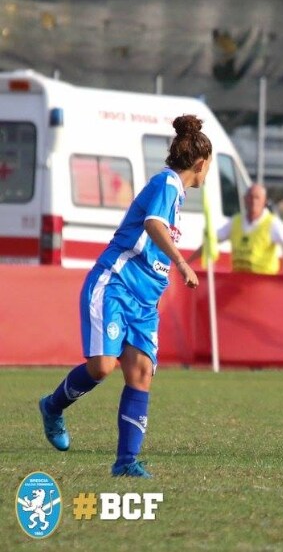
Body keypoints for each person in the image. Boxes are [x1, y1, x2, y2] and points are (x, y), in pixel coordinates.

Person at [37, 115, 212, 478]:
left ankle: (126, 463)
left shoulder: (175, 193)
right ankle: (52, 407)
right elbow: (153, 224)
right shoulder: (167, 182)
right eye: (208, 165)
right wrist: (181, 263)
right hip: (115, 285)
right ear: (200, 164)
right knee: (102, 367)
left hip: (143, 304)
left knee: (141, 373)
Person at [188, 183, 283, 281]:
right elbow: (211, 241)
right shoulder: (236, 221)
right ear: (245, 200)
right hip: (239, 282)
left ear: (264, 201)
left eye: (257, 198)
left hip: (263, 283)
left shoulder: (272, 223)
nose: (253, 201)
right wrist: (187, 264)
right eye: (250, 197)